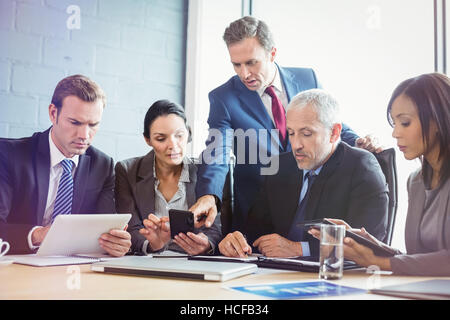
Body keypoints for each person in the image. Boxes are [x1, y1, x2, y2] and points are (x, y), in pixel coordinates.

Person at [190, 16, 382, 232]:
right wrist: (209, 195)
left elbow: (329, 122)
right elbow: (217, 151)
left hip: (309, 204)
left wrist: (357, 140)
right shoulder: (224, 98)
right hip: (259, 213)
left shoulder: (307, 78)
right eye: (237, 64)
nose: (244, 73)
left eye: (252, 62)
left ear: (272, 53)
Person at [218, 89, 388, 258]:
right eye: (291, 133)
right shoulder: (280, 166)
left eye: (306, 134)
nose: (296, 145)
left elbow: (369, 245)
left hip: (331, 279)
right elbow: (254, 232)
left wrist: (300, 249)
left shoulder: (362, 167)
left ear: (334, 132)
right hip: (274, 274)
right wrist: (238, 241)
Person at [309, 73, 450, 276]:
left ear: (437, 120)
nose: (395, 133)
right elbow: (419, 259)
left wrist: (378, 262)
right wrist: (369, 244)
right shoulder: (416, 182)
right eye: (394, 124)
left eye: (405, 123)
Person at [0, 74, 131, 256]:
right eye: (75, 122)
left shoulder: (103, 166)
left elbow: (105, 230)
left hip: (73, 269)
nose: (84, 135)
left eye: (93, 124)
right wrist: (38, 235)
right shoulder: (8, 154)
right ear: (53, 113)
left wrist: (116, 243)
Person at [115, 100, 222, 255]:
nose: (173, 145)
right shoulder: (127, 171)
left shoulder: (206, 172)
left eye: (179, 135)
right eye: (161, 138)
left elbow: (216, 228)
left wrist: (207, 245)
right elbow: (130, 228)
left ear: (188, 134)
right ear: (148, 140)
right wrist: (152, 245)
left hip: (195, 263)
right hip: (147, 263)